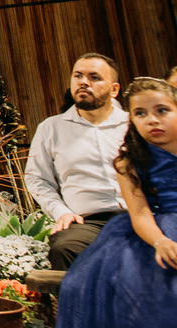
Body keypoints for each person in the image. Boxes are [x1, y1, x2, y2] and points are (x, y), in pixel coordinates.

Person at [55, 77, 177, 327]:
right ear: (131, 120)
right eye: (140, 113)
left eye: (162, 110)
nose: (152, 119)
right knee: (147, 287)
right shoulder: (128, 163)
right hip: (152, 232)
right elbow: (140, 214)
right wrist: (161, 242)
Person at [26, 52, 129, 270]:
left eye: (94, 77)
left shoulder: (132, 125)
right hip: (87, 221)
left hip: (139, 215)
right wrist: (61, 212)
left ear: (114, 90)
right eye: (78, 76)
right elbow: (37, 179)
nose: (83, 82)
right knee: (64, 248)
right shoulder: (51, 128)